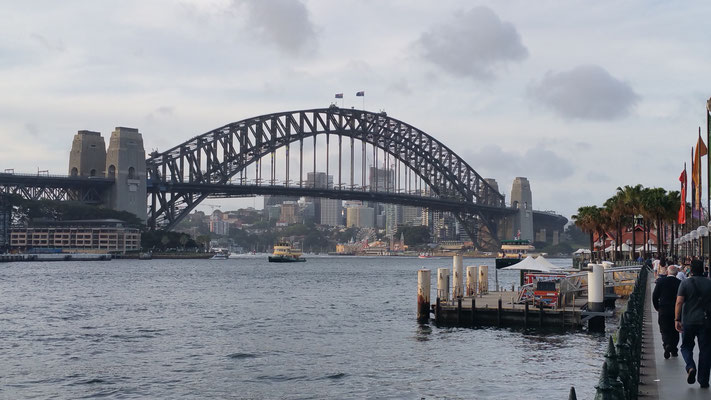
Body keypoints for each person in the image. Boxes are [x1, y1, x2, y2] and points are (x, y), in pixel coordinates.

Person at [675, 259, 711, 387]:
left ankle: (690, 367)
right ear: (703, 269)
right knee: (706, 350)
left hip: (688, 320)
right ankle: (703, 380)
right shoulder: (709, 283)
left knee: (686, 346)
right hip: (706, 321)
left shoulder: (685, 283)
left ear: (691, 269)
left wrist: (677, 319)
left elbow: (679, 302)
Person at [654, 265, 681, 358]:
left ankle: (666, 344)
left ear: (667, 272)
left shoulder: (661, 281)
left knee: (664, 329)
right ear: (676, 273)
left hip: (663, 309)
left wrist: (657, 307)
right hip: (676, 310)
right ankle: (674, 349)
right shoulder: (680, 283)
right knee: (675, 330)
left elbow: (655, 296)